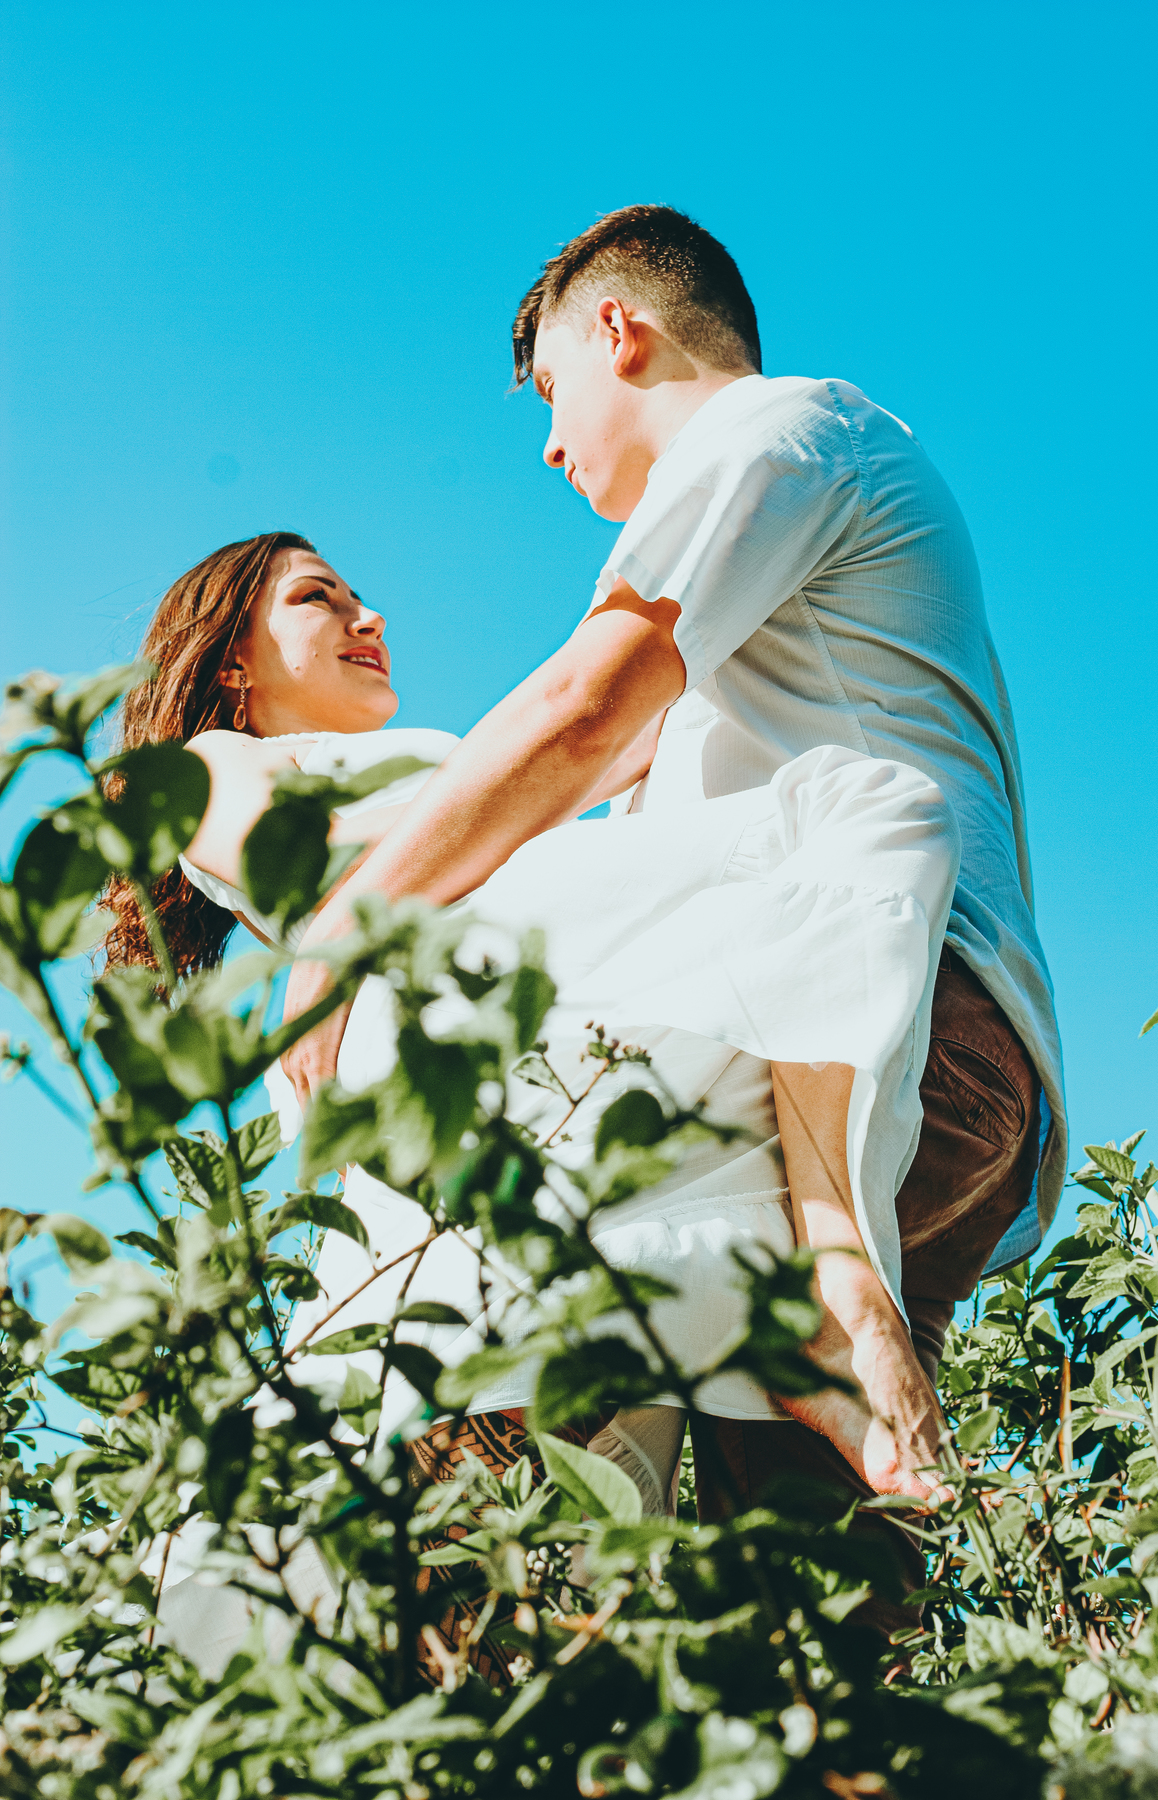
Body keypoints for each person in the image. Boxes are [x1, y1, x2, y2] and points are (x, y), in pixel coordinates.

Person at [263, 207, 1065, 1531]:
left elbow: (583, 710)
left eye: (552, 391)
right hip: (948, 1084)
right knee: (808, 1590)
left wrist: (349, 927)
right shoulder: (779, 590)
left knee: (493, 1418)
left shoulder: (777, 431)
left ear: (619, 332)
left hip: (882, 1029)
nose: (550, 444)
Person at [107, 529, 963, 1620]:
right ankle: (824, 1297)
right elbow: (301, 858)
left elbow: (603, 743)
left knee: (566, 1496)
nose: (369, 618)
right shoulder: (208, 762)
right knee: (862, 810)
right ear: (232, 659)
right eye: (320, 598)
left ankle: (810, 1283)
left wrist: (547, 768)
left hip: (525, 999)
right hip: (445, 1002)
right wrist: (514, 786)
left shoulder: (435, 756)